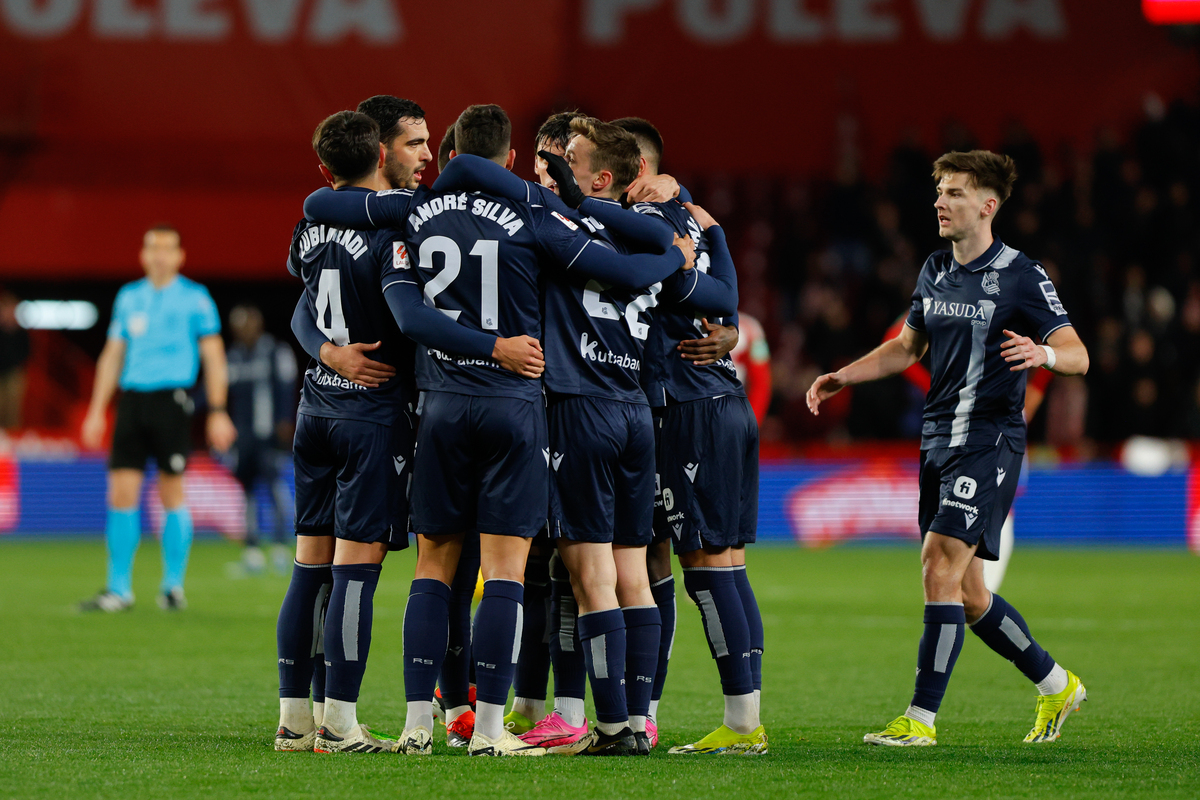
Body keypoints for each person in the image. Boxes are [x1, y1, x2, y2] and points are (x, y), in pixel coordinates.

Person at [302, 103, 696, 756]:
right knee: (508, 571)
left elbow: (330, 216)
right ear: (512, 159)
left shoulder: (412, 212)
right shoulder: (534, 215)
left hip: (440, 406)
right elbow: (630, 270)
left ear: (453, 152)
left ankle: (415, 726)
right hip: (516, 406)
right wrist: (675, 251)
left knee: (434, 566)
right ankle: (490, 729)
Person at [806, 150, 1090, 746]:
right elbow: (907, 349)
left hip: (990, 440)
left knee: (938, 567)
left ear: (987, 206)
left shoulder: (1022, 273)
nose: (940, 200)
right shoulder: (935, 268)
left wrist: (1043, 354)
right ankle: (1057, 685)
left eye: (954, 192)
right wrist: (843, 376)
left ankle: (921, 719)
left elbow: (1078, 354)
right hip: (937, 440)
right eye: (939, 190)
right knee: (967, 595)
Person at [607, 116, 764, 756]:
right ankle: (661, 713)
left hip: (688, 404)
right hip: (714, 399)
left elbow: (706, 292)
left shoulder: (656, 224)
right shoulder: (700, 218)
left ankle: (742, 724)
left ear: (632, 172)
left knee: (701, 566)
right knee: (696, 562)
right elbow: (726, 295)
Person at [274, 110, 416, 755]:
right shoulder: (393, 228)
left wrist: (327, 353)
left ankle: (293, 720)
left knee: (309, 570)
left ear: (323, 169)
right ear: (381, 155)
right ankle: (341, 721)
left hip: (316, 409)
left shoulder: (310, 223)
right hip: (371, 413)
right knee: (356, 574)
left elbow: (303, 300)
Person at [79, 225, 236, 612]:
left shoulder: (196, 299)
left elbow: (214, 357)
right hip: (132, 401)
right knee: (120, 493)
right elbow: (113, 354)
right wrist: (98, 409)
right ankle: (119, 589)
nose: (159, 255)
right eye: (152, 248)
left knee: (171, 493)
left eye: (167, 248)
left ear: (180, 256)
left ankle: (172, 587)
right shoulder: (129, 297)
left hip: (172, 400)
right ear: (143, 254)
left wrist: (217, 411)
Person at [225, 304, 298, 574]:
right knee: (246, 491)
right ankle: (252, 549)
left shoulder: (275, 352)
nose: (242, 332)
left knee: (275, 486)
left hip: (269, 434)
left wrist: (285, 421)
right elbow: (220, 390)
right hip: (242, 437)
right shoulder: (232, 356)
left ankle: (281, 547)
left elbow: (288, 387)